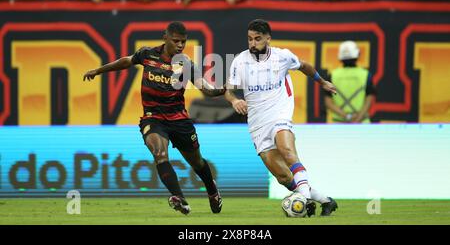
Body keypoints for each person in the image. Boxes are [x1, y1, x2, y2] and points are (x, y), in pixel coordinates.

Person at [83, 21, 224, 215]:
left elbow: (205, 89)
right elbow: (126, 61)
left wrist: (221, 90)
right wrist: (99, 70)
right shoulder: (147, 54)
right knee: (159, 154)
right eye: (176, 41)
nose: (181, 46)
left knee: (197, 162)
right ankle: (179, 198)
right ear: (165, 37)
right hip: (153, 118)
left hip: (179, 120)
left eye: (184, 42)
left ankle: (211, 189)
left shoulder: (186, 64)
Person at [224, 19, 338, 216]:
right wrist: (234, 101)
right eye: (250, 39)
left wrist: (322, 82)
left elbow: (305, 66)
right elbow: (229, 91)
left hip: (279, 114)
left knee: (287, 150)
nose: (252, 43)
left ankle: (303, 199)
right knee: (283, 176)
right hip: (257, 124)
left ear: (268, 38)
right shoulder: (240, 61)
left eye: (257, 39)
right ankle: (325, 200)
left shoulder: (282, 56)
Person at [324, 41, 377, 124]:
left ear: (340, 57)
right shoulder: (366, 75)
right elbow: (369, 99)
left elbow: (328, 103)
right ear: (358, 55)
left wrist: (348, 117)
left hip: (339, 124)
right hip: (362, 123)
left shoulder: (332, 75)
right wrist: (358, 118)